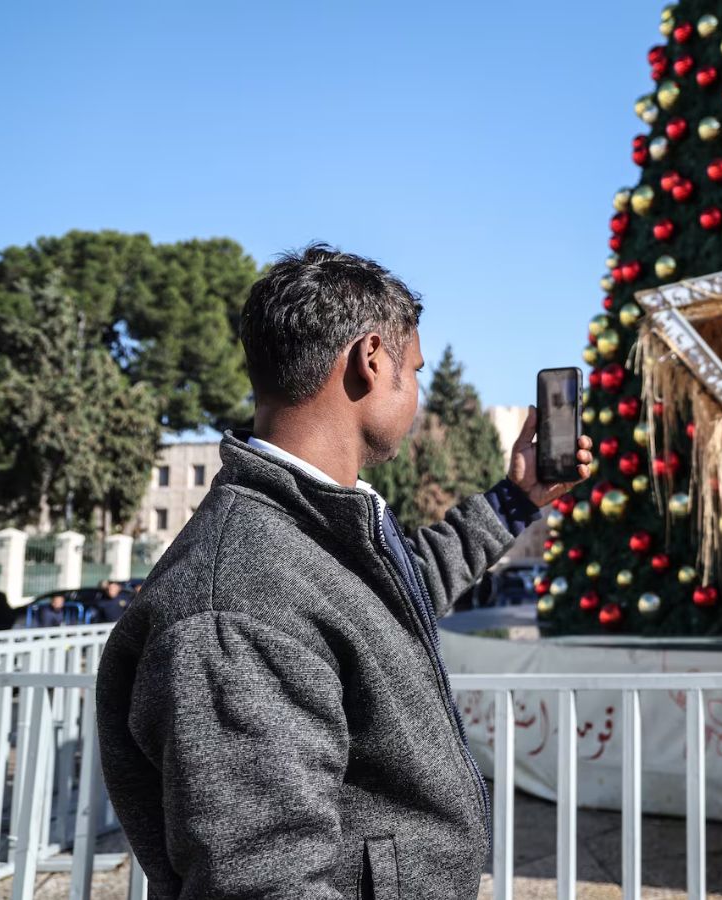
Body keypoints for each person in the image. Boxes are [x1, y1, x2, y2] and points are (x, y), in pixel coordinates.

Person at [95, 245, 593, 899]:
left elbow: (403, 589)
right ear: (370, 359)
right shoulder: (237, 600)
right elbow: (263, 883)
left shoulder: (305, 532)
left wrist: (516, 499)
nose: (416, 391)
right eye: (412, 369)